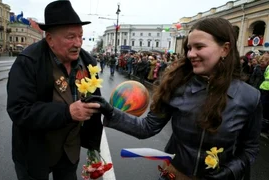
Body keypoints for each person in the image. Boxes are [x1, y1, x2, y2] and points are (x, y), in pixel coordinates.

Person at [83, 17, 262, 180]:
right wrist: (110, 112)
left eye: (199, 47)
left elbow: (250, 149)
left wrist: (231, 170)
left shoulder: (250, 97)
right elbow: (146, 128)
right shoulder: (176, 86)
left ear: (225, 49)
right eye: (189, 48)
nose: (191, 54)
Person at [6, 1, 103, 180]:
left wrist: (93, 145)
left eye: (80, 36)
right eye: (70, 37)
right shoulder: (28, 61)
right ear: (50, 39)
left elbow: (94, 101)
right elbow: (19, 110)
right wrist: (67, 112)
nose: (78, 43)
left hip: (69, 152)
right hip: (36, 151)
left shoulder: (89, 62)